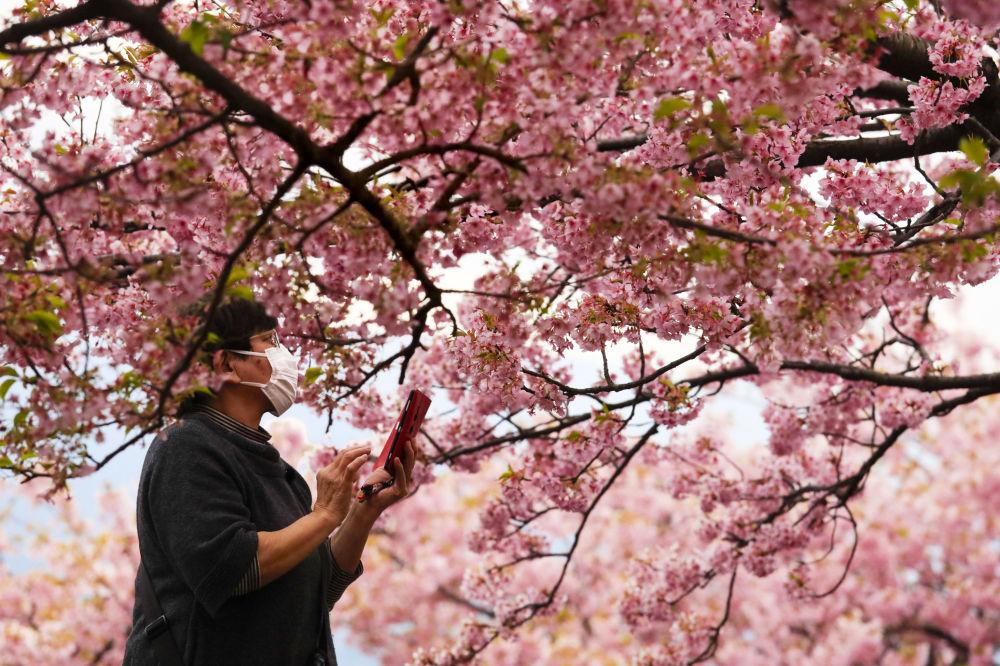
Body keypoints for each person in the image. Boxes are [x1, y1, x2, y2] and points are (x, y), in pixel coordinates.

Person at [122, 298, 413, 665]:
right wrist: (323, 514)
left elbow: (314, 592)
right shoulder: (186, 446)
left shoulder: (279, 471)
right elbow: (232, 572)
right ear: (227, 363)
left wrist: (362, 510)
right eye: (269, 342)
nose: (284, 355)